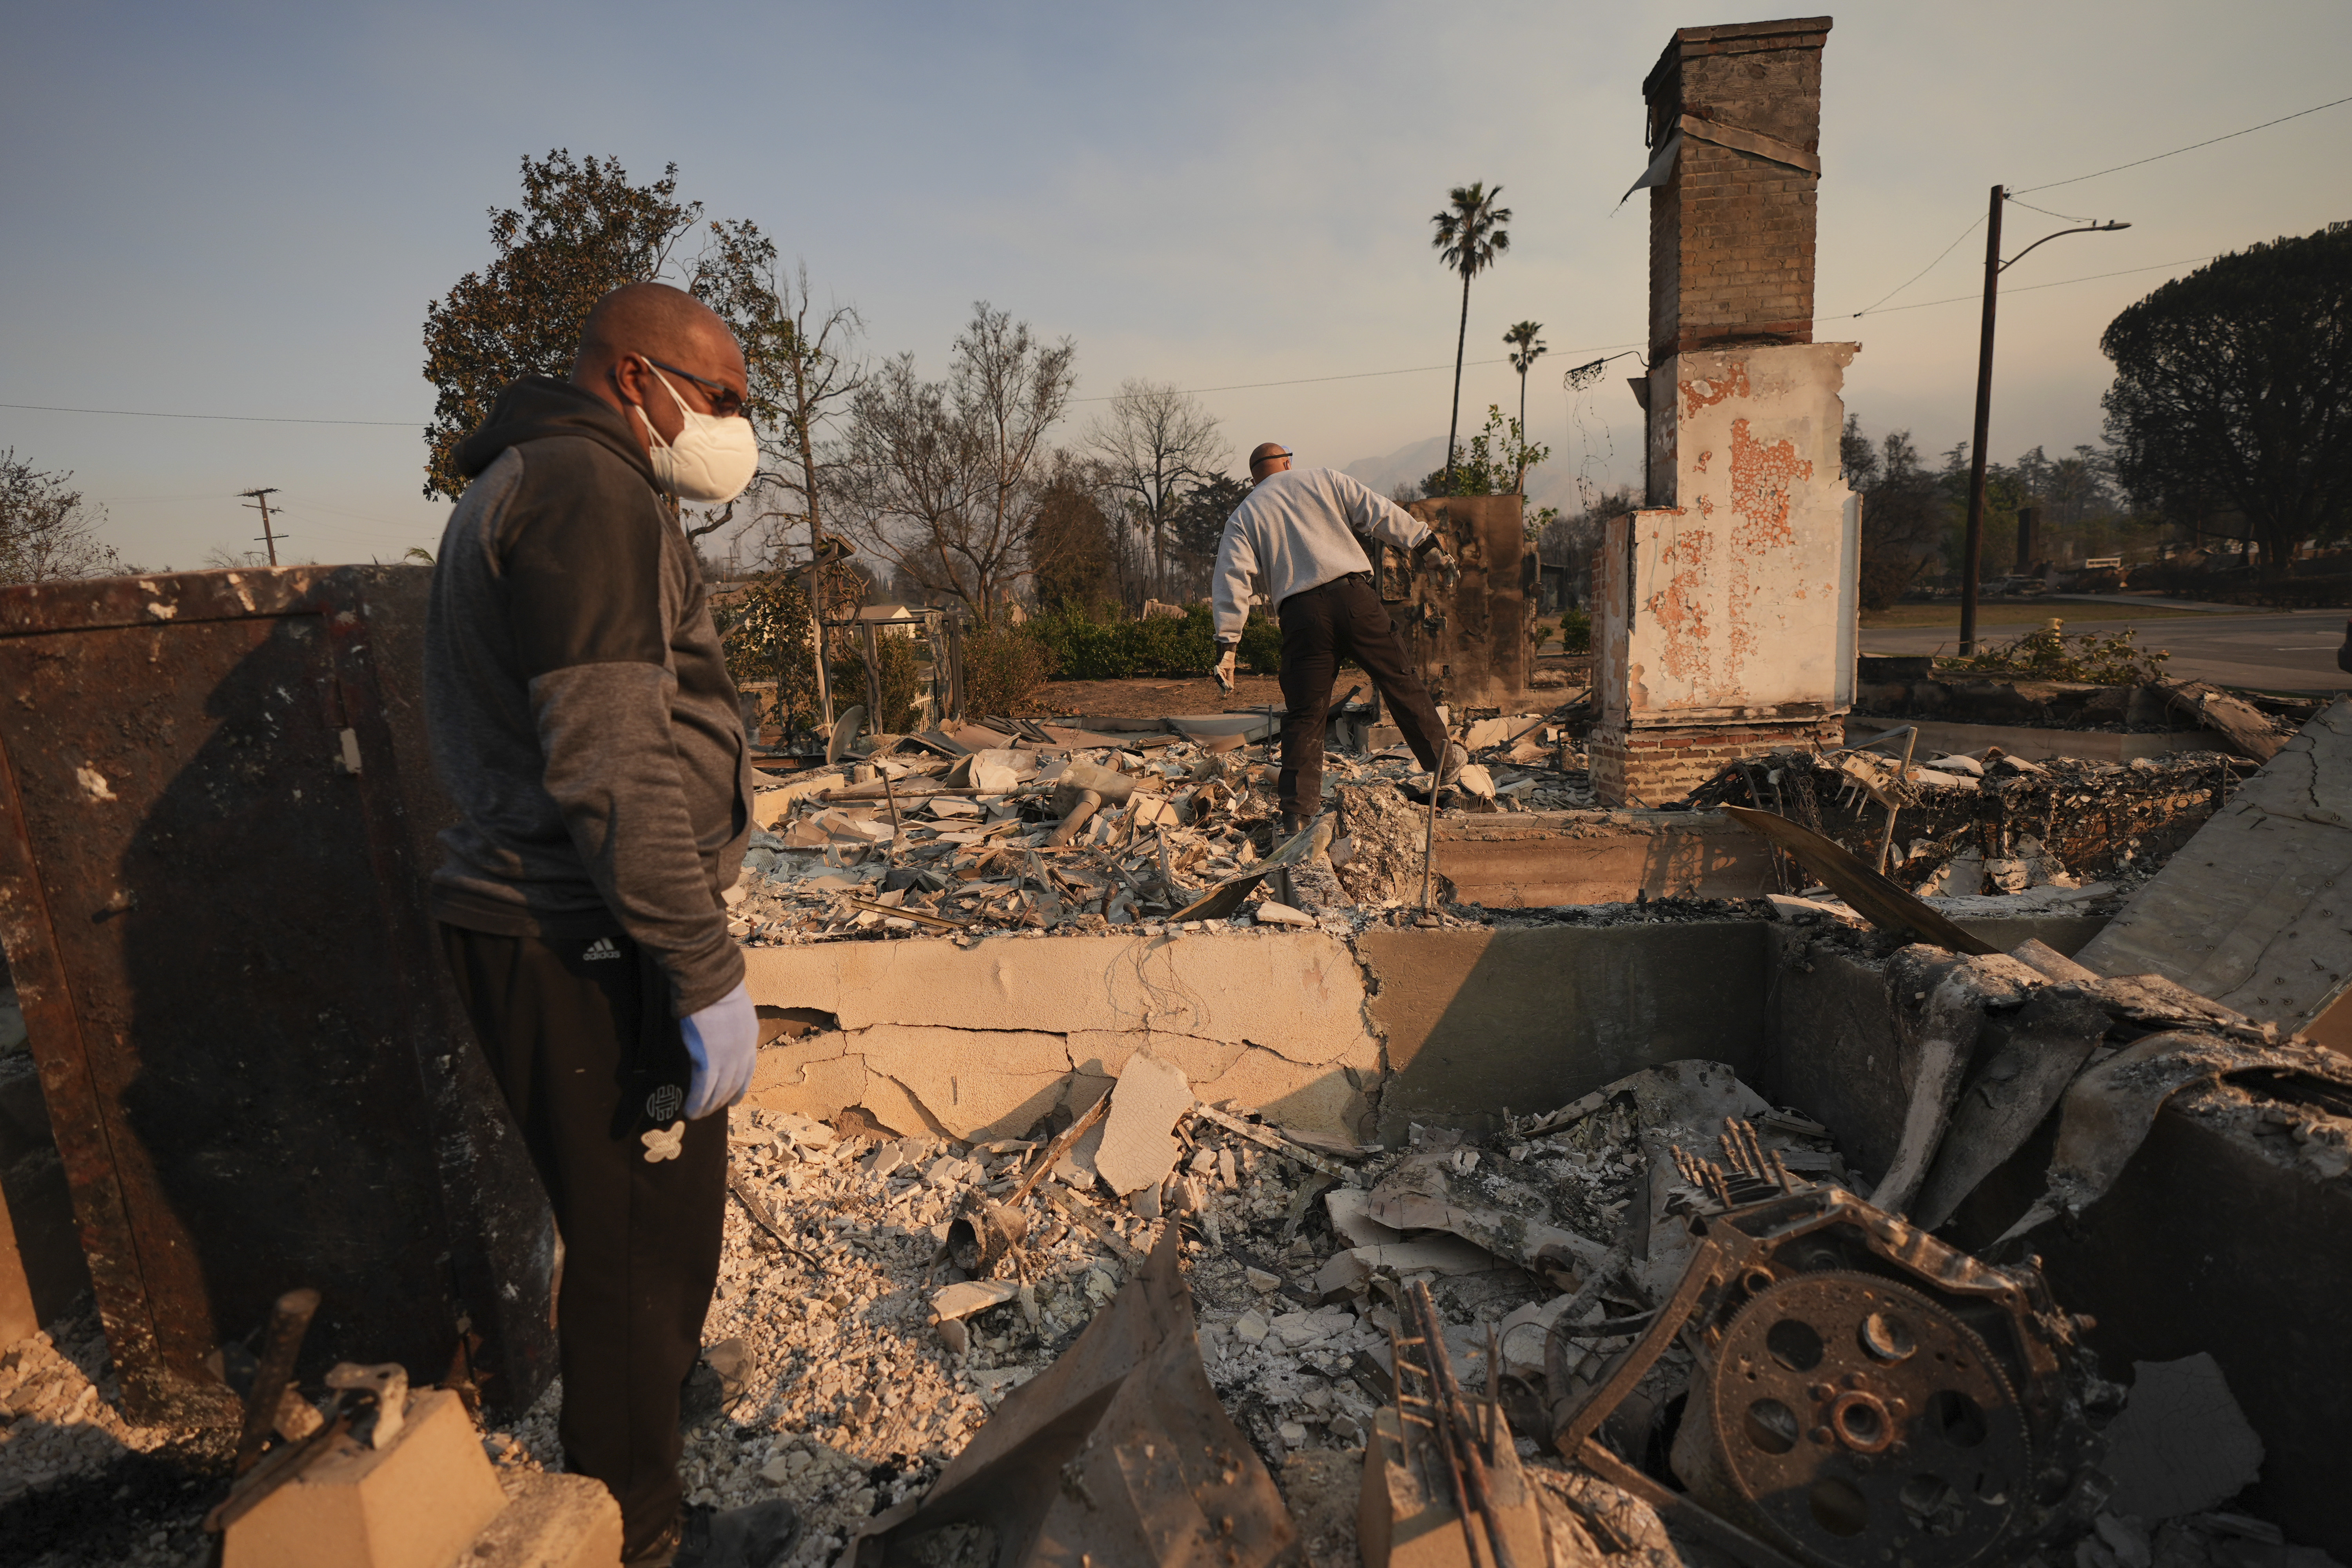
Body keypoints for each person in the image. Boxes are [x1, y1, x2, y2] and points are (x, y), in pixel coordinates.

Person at [424, 281, 791, 1568]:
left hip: (559, 920)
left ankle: (644, 1440)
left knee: (645, 1226)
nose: (738, 427)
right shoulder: (586, 492)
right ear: (639, 380)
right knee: (643, 1240)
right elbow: (610, 756)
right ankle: (642, 1536)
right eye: (726, 397)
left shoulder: (543, 477)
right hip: (578, 932)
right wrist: (696, 965)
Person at [1210, 442, 1466, 833]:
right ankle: (1444, 765)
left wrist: (1228, 645)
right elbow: (1378, 512)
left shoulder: (1245, 514)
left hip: (1301, 616)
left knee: (1305, 715)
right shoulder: (1323, 479)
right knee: (1400, 681)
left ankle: (1297, 815)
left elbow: (1232, 578)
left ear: (1254, 477)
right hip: (1354, 600)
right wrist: (1426, 546)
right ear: (1287, 462)